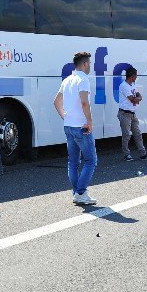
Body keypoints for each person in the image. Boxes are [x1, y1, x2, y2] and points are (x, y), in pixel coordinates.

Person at [54, 51, 97, 205]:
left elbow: (56, 102)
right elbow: (85, 103)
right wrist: (89, 122)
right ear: (85, 64)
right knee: (91, 161)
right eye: (90, 63)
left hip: (69, 126)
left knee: (73, 162)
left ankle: (77, 192)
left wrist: (65, 117)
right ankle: (80, 192)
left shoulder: (67, 80)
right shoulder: (83, 79)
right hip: (81, 127)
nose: (90, 66)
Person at [118, 66, 147, 161]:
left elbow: (139, 96)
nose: (137, 77)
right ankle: (126, 154)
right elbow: (132, 99)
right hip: (125, 114)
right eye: (136, 75)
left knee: (138, 134)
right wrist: (137, 99)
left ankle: (143, 154)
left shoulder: (133, 85)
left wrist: (137, 99)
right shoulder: (124, 86)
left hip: (133, 114)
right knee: (126, 135)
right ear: (132, 76)